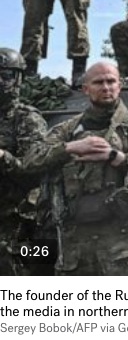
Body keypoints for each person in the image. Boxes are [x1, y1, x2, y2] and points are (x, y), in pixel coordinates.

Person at [20, 62, 128, 275]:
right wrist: (70, 148)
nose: (106, 87)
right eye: (98, 82)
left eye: (111, 81)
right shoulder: (69, 130)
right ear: (85, 89)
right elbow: (31, 160)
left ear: (120, 86)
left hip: (123, 249)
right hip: (75, 250)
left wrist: (119, 158)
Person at [0, 48, 49, 275]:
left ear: (18, 79)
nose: (1, 81)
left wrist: (4, 157)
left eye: (6, 75)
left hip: (15, 221)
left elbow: (35, 171)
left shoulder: (27, 119)